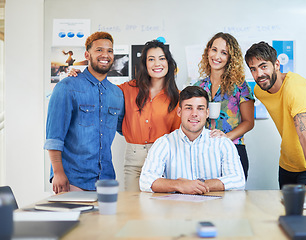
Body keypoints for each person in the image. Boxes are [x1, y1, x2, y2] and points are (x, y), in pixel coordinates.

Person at [68, 40, 181, 191]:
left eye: (162, 58)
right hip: (133, 159)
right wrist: (81, 77)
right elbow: (100, 90)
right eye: (151, 59)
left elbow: (178, 135)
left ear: (168, 62)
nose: (157, 64)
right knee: (134, 207)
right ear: (144, 64)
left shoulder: (178, 97)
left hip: (163, 159)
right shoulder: (127, 89)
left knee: (159, 208)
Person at [244, 41, 306, 193]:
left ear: (276, 64)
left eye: (264, 66)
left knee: (303, 213)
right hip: (287, 163)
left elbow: (305, 133)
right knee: (286, 211)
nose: (259, 74)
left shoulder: (296, 88)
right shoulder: (259, 90)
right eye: (253, 69)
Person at [44, 32, 125, 193]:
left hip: (106, 181)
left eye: (109, 51)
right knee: (78, 219)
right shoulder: (67, 87)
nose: (105, 55)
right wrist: (58, 173)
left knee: (106, 219)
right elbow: (54, 136)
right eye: (99, 50)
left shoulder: (117, 94)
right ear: (87, 55)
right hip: (73, 180)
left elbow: (126, 129)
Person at [139, 86, 246, 194]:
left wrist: (199, 185)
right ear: (179, 112)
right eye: (189, 108)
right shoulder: (164, 143)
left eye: (200, 108)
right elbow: (145, 181)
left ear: (207, 113)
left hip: (213, 209)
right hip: (175, 209)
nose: (194, 114)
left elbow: (238, 180)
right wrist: (179, 185)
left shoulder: (222, 143)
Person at [194, 32, 255, 179]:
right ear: (208, 51)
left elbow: (249, 122)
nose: (217, 56)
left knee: (233, 200)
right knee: (204, 198)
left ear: (230, 58)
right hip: (204, 151)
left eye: (224, 53)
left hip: (233, 149)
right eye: (214, 50)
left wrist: (226, 138)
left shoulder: (240, 86)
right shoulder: (199, 86)